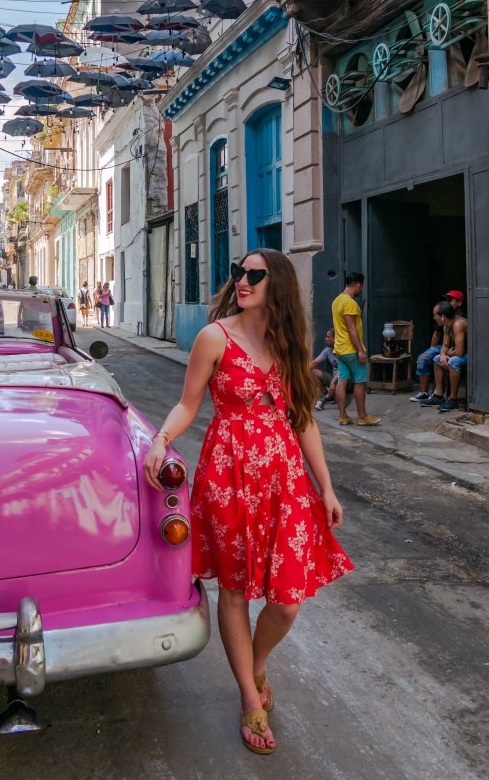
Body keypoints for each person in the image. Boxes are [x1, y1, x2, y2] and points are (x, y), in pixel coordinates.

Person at [143, 249, 352, 756]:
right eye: (239, 271)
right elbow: (189, 402)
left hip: (283, 479)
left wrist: (325, 486)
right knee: (234, 591)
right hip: (228, 476)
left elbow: (302, 419)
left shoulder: (288, 345)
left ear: (275, 283)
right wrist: (161, 440)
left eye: (255, 274)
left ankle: (255, 664)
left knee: (285, 601)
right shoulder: (215, 337)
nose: (243, 280)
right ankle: (248, 696)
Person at [331, 273, 381, 427]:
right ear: (358, 284)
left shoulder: (337, 301)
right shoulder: (350, 303)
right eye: (361, 286)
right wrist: (360, 349)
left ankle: (343, 416)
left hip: (340, 349)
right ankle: (362, 416)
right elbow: (351, 328)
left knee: (342, 381)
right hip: (351, 349)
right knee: (360, 382)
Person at [424, 302, 468, 411]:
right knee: (437, 359)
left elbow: (459, 352)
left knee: (454, 361)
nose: (434, 318)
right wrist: (443, 354)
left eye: (435, 315)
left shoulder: (458, 324)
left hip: (472, 354)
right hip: (458, 352)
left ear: (443, 317)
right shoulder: (446, 325)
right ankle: (439, 396)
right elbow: (445, 345)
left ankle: (453, 400)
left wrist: (447, 353)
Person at [409, 305, 445, 402]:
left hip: (452, 348)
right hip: (442, 346)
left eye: (451, 300)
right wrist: (431, 349)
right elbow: (437, 334)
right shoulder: (441, 321)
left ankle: (438, 393)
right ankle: (424, 393)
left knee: (438, 360)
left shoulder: (458, 320)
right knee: (423, 358)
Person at [311, 329, 339, 411]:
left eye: (328, 337)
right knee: (313, 372)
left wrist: (334, 382)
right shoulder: (327, 350)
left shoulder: (342, 350)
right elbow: (315, 362)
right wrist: (300, 373)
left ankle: (325, 399)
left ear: (334, 339)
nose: (325, 339)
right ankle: (328, 396)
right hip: (333, 378)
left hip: (344, 378)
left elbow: (343, 370)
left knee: (342, 376)